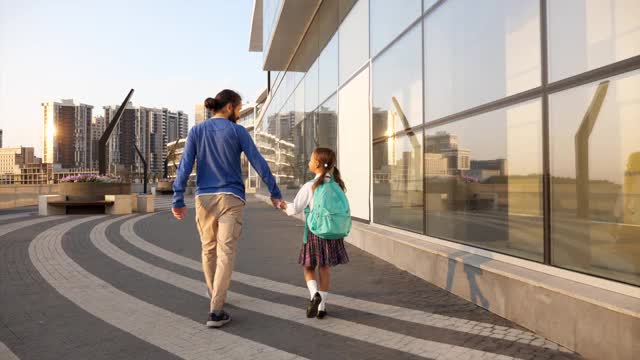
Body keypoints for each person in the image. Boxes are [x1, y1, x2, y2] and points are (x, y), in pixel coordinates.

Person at [171, 89, 282, 328]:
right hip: (230, 199)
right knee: (225, 253)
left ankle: (216, 297)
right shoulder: (237, 131)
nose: (241, 113)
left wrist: (178, 198)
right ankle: (216, 310)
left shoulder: (197, 131)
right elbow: (258, 162)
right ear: (230, 107)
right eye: (240, 108)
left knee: (208, 249)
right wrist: (274, 191)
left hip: (204, 199)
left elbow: (184, 166)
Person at [281, 147, 350, 319]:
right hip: (333, 234)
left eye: (311, 159)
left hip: (315, 234)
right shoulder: (337, 185)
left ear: (318, 163)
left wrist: (281, 204)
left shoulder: (310, 186)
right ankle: (322, 308)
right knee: (325, 269)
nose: (309, 162)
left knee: (309, 267)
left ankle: (314, 295)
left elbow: (294, 209)